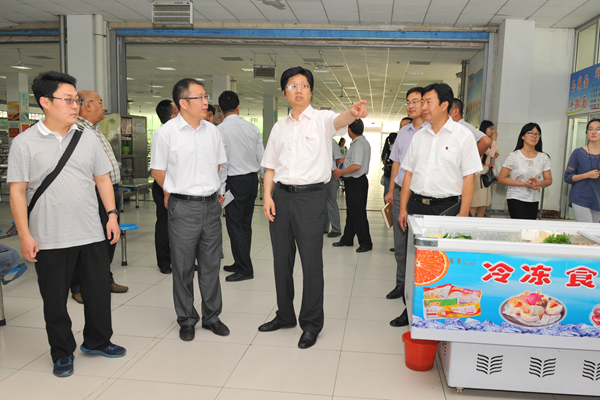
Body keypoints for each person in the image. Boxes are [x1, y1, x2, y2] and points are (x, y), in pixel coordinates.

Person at [8, 71, 126, 377]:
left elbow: (102, 179)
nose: (76, 105)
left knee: (98, 293)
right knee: (55, 300)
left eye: (76, 100)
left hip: (91, 231)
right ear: (45, 102)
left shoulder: (88, 137)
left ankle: (98, 340)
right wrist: (24, 235)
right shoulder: (24, 143)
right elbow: (17, 191)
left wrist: (112, 215)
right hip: (49, 236)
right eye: (68, 100)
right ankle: (62, 352)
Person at [259, 66, 368, 349]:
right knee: (281, 262)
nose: (299, 90)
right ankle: (285, 315)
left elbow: (341, 119)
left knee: (311, 264)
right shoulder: (279, 128)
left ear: (310, 91)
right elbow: (270, 167)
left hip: (311, 199)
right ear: (284, 92)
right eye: (293, 85)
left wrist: (353, 112)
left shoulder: (322, 119)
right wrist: (267, 196)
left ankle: (311, 324)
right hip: (281, 198)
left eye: (304, 85)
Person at [395, 83, 482, 327]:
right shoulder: (419, 136)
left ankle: (438, 313)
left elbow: (469, 178)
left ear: (444, 105)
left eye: (428, 102)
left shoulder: (462, 136)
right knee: (414, 261)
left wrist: (463, 213)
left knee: (440, 264)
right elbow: (408, 173)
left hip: (445, 209)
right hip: (417, 207)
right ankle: (409, 310)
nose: (423, 107)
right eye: (422, 102)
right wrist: (403, 209)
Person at [151, 78, 230, 341]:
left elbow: (217, 165)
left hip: (211, 206)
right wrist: (178, 189)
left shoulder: (213, 131)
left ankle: (212, 317)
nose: (206, 101)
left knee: (211, 265)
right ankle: (186, 319)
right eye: (200, 97)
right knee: (183, 267)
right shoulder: (166, 133)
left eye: (205, 96)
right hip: (183, 207)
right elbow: (158, 171)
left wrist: (206, 188)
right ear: (183, 103)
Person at [70, 90, 129, 304]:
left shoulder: (94, 130)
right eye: (100, 102)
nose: (104, 107)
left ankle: (104, 278)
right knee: (88, 242)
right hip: (92, 193)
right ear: (87, 105)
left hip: (109, 191)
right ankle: (78, 286)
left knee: (109, 238)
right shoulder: (77, 131)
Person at [383, 87, 425, 309]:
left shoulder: (431, 131)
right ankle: (401, 284)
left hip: (421, 194)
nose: (411, 106)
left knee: (419, 244)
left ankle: (418, 286)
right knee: (400, 244)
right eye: (408, 102)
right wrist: (391, 190)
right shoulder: (403, 132)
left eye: (415, 101)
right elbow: (396, 163)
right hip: (400, 191)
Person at [217, 90, 264, 282]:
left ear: (221, 110)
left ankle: (245, 268)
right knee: (245, 224)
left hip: (234, 182)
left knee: (234, 225)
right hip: (251, 181)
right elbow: (262, 156)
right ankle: (240, 261)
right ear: (238, 107)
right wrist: (263, 177)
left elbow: (222, 163)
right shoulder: (252, 128)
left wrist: (221, 189)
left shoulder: (220, 130)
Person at [333, 119, 373, 253]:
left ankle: (366, 243)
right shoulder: (360, 142)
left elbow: (356, 166)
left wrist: (341, 172)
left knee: (358, 213)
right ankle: (347, 238)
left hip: (356, 182)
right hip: (355, 182)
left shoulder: (358, 145)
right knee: (351, 212)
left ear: (350, 130)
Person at [497, 123, 552, 220]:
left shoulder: (543, 157)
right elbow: (501, 178)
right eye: (530, 133)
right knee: (520, 225)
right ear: (523, 136)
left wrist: (539, 183)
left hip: (534, 198)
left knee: (530, 226)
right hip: (515, 197)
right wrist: (524, 184)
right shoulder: (514, 155)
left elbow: (549, 180)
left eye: (537, 134)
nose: (534, 136)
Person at [152, 99, 179, 274]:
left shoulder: (180, 133)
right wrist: (167, 191)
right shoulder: (162, 134)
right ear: (173, 116)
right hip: (163, 186)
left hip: (178, 186)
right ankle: (164, 261)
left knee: (180, 226)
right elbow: (157, 171)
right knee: (164, 224)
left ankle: (181, 260)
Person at [564, 119, 600, 222]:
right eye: (590, 129)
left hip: (598, 198)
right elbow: (568, 177)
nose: (594, 132)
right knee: (586, 228)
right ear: (586, 133)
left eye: (598, 129)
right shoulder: (578, 153)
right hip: (580, 198)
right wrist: (587, 175)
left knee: (594, 229)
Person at [470, 120, 500, 217]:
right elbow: (490, 153)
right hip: (479, 175)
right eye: (490, 128)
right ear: (484, 129)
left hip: (484, 174)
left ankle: (480, 221)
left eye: (493, 129)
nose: (492, 131)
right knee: (475, 202)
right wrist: (494, 140)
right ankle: (471, 221)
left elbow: (489, 155)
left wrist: (492, 156)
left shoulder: (486, 142)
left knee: (483, 202)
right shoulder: (481, 141)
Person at [382, 118, 411, 200]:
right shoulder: (399, 141)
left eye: (405, 125)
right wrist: (391, 191)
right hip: (397, 181)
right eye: (401, 126)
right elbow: (396, 162)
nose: (403, 128)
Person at [324, 137, 344, 238]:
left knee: (331, 202)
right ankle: (325, 227)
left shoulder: (331, 142)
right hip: (322, 176)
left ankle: (336, 229)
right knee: (324, 202)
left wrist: (338, 174)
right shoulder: (319, 141)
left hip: (332, 174)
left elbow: (339, 160)